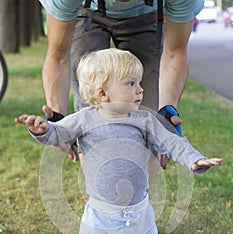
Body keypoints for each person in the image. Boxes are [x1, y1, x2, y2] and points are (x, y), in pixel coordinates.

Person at [16, 48, 222, 234]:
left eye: (139, 83)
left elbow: (172, 143)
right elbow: (58, 133)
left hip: (139, 214)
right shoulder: (84, 119)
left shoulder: (145, 120)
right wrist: (41, 130)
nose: (140, 89)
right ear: (102, 93)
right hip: (100, 216)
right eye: (131, 84)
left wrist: (195, 159)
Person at [39, 0, 205, 164]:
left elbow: (175, 52)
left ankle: (143, 190)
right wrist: (57, 121)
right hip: (87, 10)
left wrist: (167, 111)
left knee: (151, 120)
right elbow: (58, 55)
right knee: (90, 104)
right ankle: (99, 190)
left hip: (147, 13)